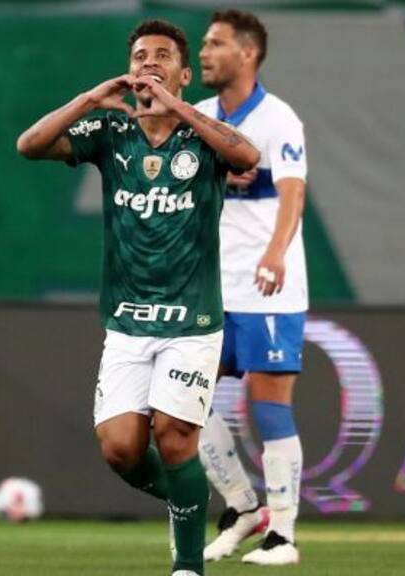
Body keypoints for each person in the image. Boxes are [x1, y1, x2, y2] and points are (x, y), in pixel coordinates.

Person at [16, 19, 259, 576]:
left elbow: (247, 157)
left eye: (163, 55)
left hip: (192, 320)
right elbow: (28, 146)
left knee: (174, 439)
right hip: (127, 322)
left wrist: (179, 107)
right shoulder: (108, 128)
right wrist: (92, 96)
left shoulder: (204, 131)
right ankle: (191, 502)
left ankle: (188, 566)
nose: (150, 62)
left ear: (183, 71)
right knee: (121, 449)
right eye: (141, 55)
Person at [193, 10, 308, 566]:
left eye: (215, 44)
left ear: (248, 53)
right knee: (182, 403)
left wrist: (275, 251)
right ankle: (243, 505)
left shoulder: (279, 119)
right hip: (211, 286)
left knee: (270, 407)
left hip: (268, 288)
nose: (203, 53)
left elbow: (293, 194)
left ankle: (283, 535)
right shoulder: (200, 117)